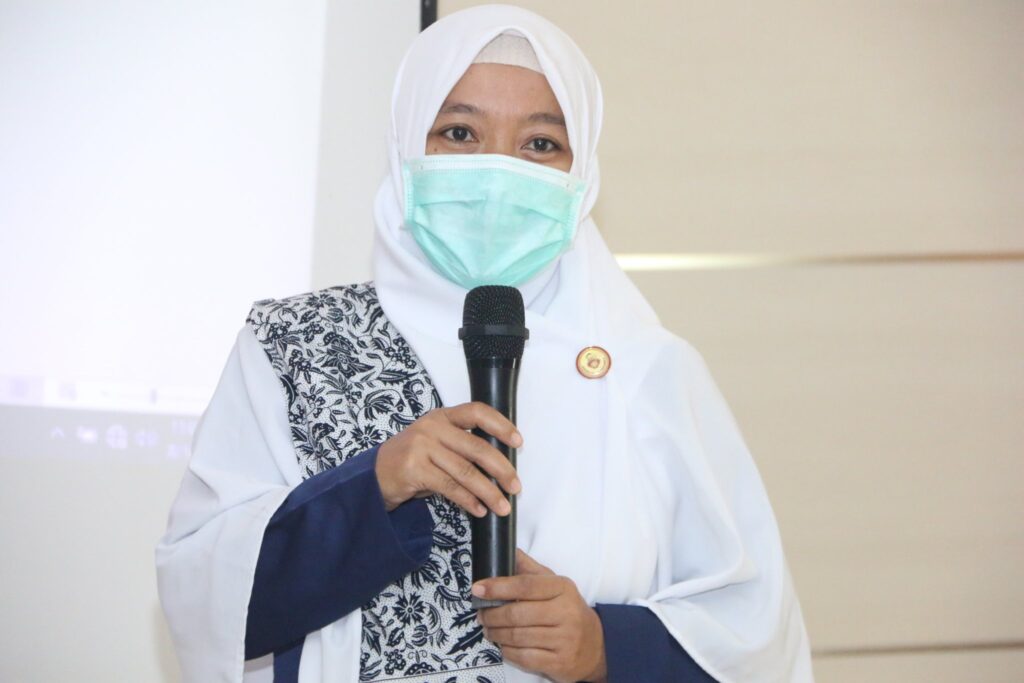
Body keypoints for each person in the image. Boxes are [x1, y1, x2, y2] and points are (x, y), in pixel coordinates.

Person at [156, 5, 813, 683]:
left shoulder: (645, 369)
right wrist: (376, 484)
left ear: (582, 173)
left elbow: (755, 637)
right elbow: (202, 604)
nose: (498, 171)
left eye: (540, 144)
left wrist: (603, 646)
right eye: (460, 133)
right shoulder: (295, 348)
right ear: (407, 147)